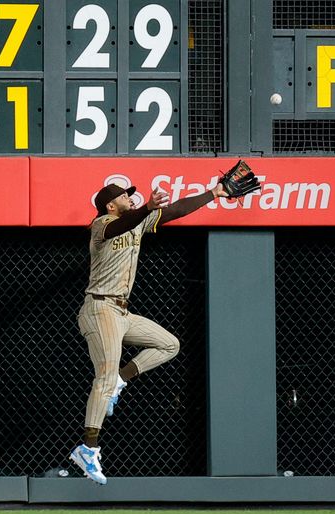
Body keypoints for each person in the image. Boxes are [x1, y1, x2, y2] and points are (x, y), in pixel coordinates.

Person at [69, 177, 233, 484]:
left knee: (169, 345)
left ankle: (122, 378)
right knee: (102, 376)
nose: (130, 199)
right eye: (124, 197)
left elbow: (175, 211)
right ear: (110, 205)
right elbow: (121, 224)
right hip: (99, 308)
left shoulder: (137, 222)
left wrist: (214, 193)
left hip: (121, 311)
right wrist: (145, 207)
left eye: (131, 197)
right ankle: (87, 448)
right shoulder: (102, 225)